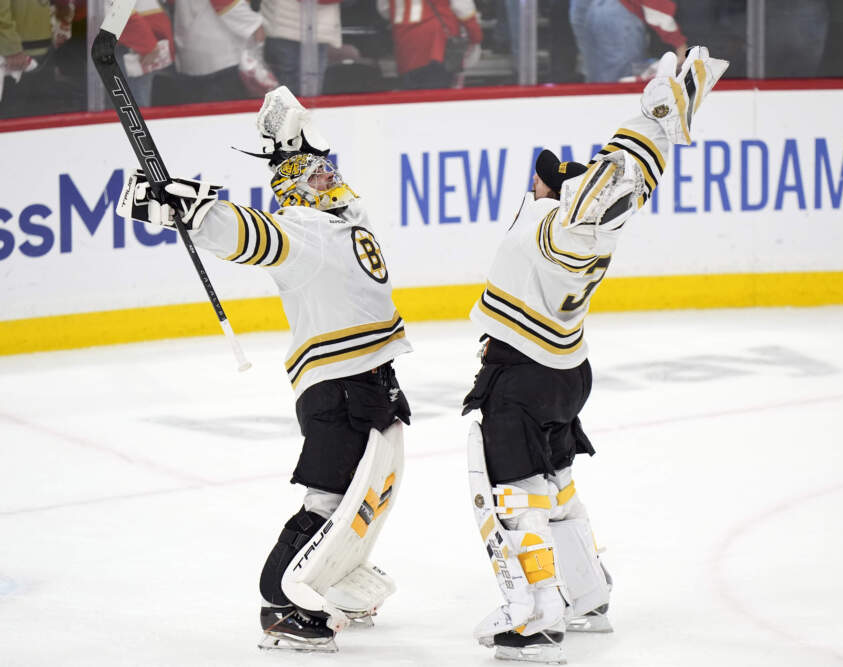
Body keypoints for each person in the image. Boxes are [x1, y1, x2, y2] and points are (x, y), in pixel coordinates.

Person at [115, 87, 412, 652]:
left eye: (328, 172)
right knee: (329, 500)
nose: (331, 180)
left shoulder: (348, 219)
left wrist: (288, 148)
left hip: (371, 379)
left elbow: (320, 183)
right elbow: (249, 232)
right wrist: (193, 210)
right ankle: (280, 601)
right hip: (338, 388)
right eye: (318, 178)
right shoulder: (302, 230)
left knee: (370, 493)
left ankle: (337, 575)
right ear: (296, 193)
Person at [461, 47, 727, 664]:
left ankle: (536, 616)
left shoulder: (562, 226)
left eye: (548, 176)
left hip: (520, 375)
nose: (539, 178)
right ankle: (587, 596)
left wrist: (652, 119)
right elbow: (622, 185)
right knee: (555, 489)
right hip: (564, 374)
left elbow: (606, 186)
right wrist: (660, 127)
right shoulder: (568, 223)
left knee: (511, 495)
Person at [570, 0, 686, 82]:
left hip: (583, 8)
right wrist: (679, 43)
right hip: (616, 13)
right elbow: (655, 6)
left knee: (597, 85)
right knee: (621, 85)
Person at [376, 0, 482, 89]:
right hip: (436, 46)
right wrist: (476, 36)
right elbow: (463, 9)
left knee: (413, 101)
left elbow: (384, 10)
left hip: (405, 47)